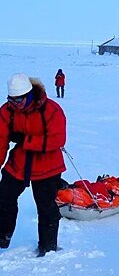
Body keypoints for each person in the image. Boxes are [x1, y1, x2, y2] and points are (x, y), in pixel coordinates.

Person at [0, 73, 66, 256]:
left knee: (46, 208)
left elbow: (58, 139)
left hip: (48, 166)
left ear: (29, 95)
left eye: (19, 101)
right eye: (11, 101)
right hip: (18, 163)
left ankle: (48, 247)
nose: (15, 105)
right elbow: (0, 141)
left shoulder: (52, 110)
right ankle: (2, 238)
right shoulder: (6, 111)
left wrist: (27, 140)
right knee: (4, 199)